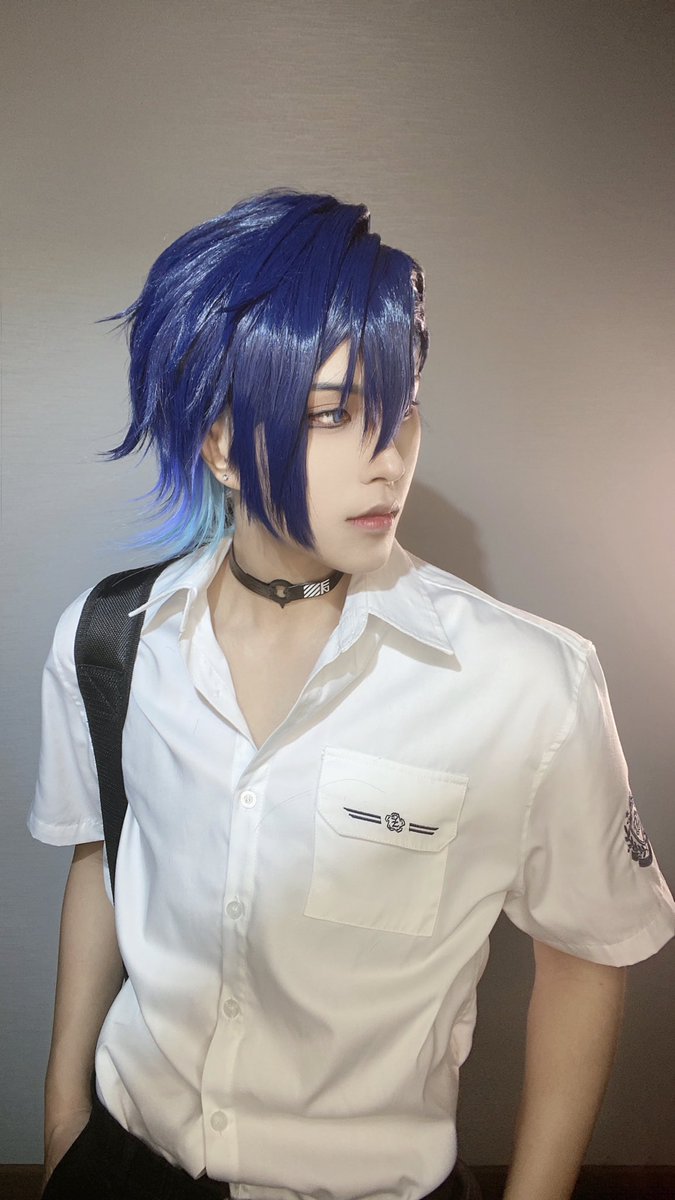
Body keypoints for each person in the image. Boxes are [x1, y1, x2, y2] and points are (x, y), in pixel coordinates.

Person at [30, 188, 675, 1200]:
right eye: (332, 414)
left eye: (402, 407)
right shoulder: (110, 640)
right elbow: (102, 859)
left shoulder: (526, 684)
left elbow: (588, 954)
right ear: (219, 442)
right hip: (124, 1158)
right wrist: (64, 1112)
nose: (388, 459)